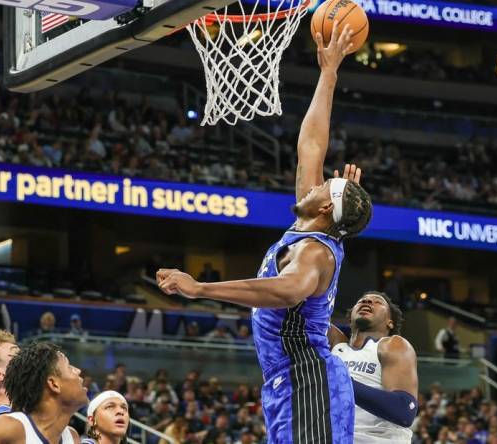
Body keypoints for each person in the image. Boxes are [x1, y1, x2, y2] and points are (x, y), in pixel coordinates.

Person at [155, 22, 372, 443]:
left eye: (326, 185)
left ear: (326, 207)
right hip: (290, 382)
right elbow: (311, 145)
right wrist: (329, 73)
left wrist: (200, 289)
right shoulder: (306, 229)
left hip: (308, 381)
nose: (317, 181)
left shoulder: (313, 250)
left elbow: (289, 290)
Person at [0, 342, 85, 443]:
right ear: (1, 374)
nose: (26, 358)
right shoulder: (7, 424)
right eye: (16, 355)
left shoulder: (61, 430)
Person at [329, 291, 418, 443]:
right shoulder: (336, 345)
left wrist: (343, 382)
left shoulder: (392, 345)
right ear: (350, 317)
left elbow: (404, 411)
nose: (367, 302)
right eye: (362, 300)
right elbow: (306, 315)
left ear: (390, 322)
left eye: (378, 302)